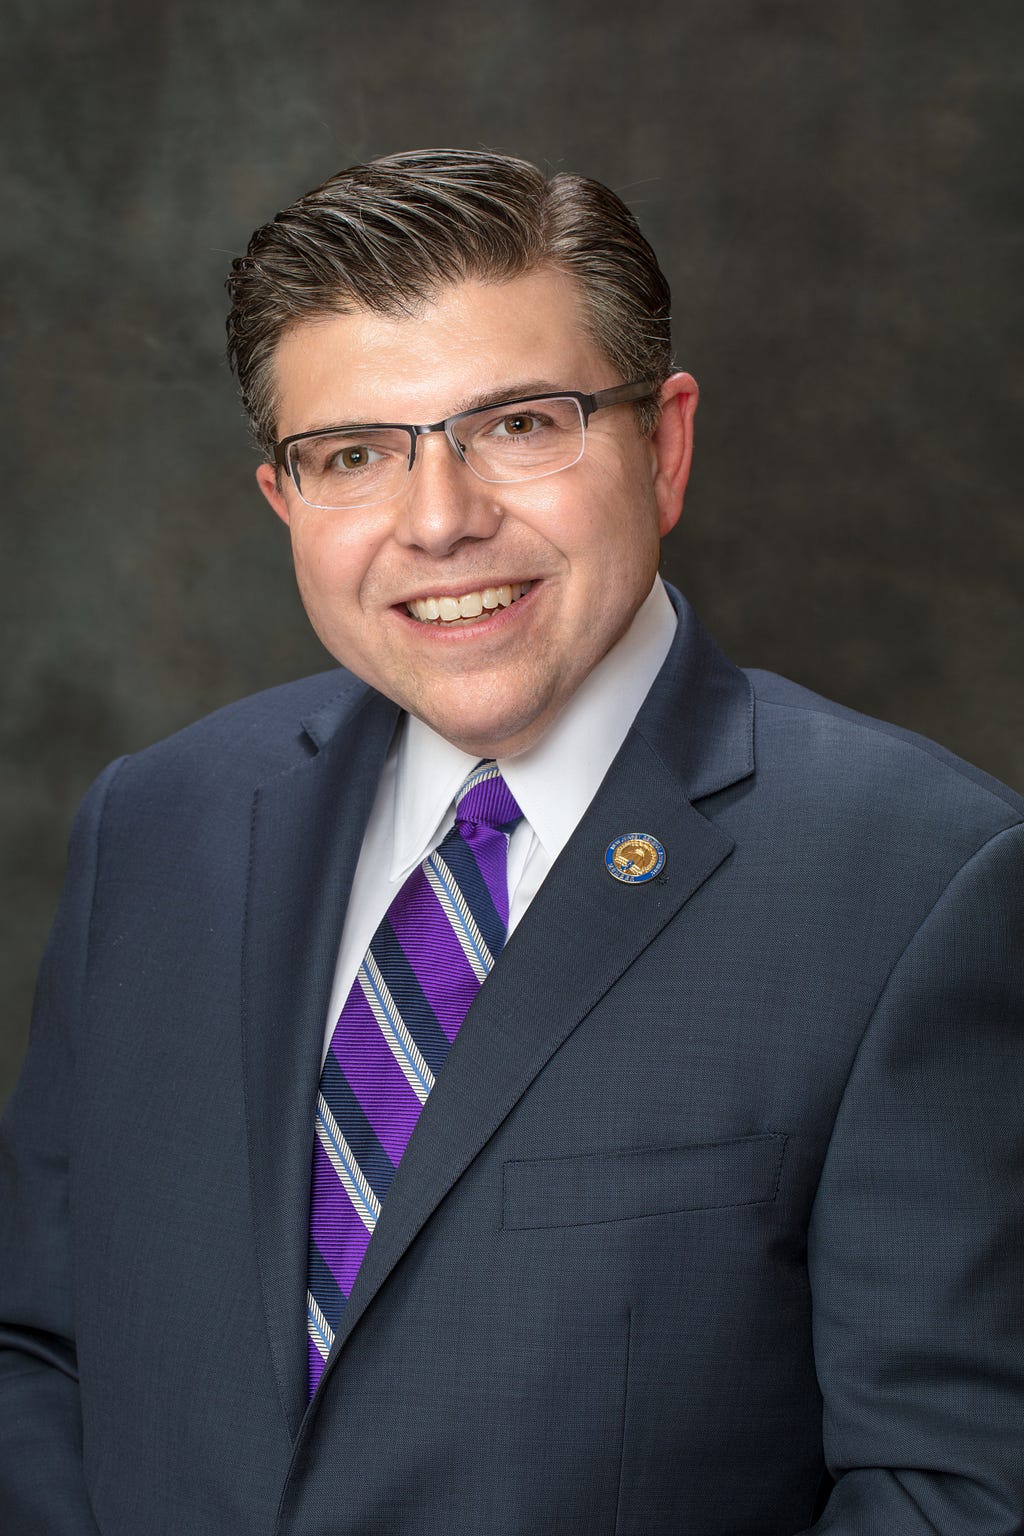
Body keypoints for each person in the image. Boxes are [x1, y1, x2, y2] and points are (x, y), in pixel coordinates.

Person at [1, 148, 1022, 1536]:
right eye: (354, 455)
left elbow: (952, 1493)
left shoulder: (926, 880)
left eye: (522, 426)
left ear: (663, 446)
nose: (441, 522)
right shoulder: (160, 826)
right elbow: (41, 1358)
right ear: (284, 503)